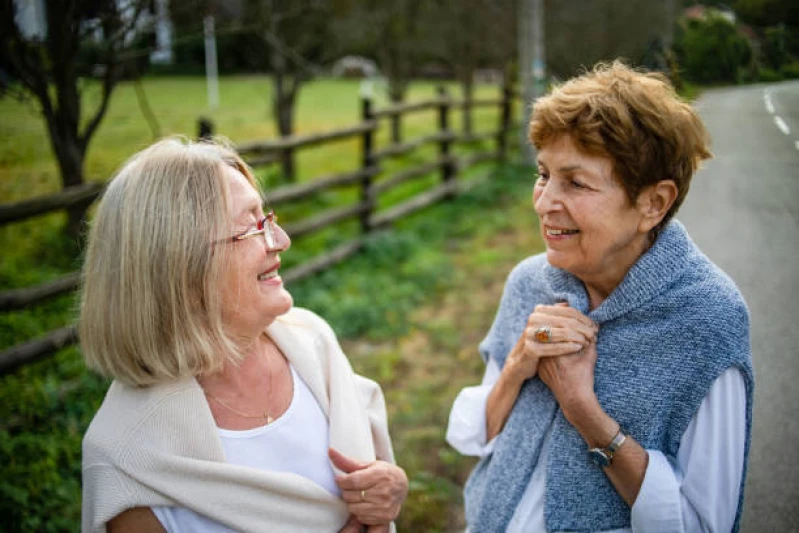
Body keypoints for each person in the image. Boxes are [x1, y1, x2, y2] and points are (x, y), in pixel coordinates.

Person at [446, 61, 754, 532]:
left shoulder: (707, 320)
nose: (545, 201)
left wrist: (583, 410)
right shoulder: (531, 281)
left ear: (653, 203)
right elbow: (476, 437)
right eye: (543, 174)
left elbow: (702, 524)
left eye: (576, 182)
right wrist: (516, 366)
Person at [79, 138, 408, 533]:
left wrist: (390, 488)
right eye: (250, 229)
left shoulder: (312, 343)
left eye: (265, 219)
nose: (281, 240)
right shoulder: (126, 459)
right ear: (183, 270)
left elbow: (372, 482)